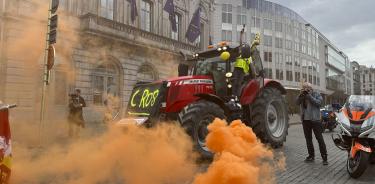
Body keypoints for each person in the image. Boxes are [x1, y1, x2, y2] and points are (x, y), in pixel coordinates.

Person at [296, 82, 328, 165]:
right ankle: (311, 156)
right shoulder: (302, 95)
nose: (306, 89)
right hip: (305, 120)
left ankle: (324, 158)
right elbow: (297, 102)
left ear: (311, 88)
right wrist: (301, 95)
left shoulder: (316, 94)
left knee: (319, 139)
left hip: (315, 120)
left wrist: (309, 96)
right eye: (304, 87)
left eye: (307, 87)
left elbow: (319, 103)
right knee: (308, 139)